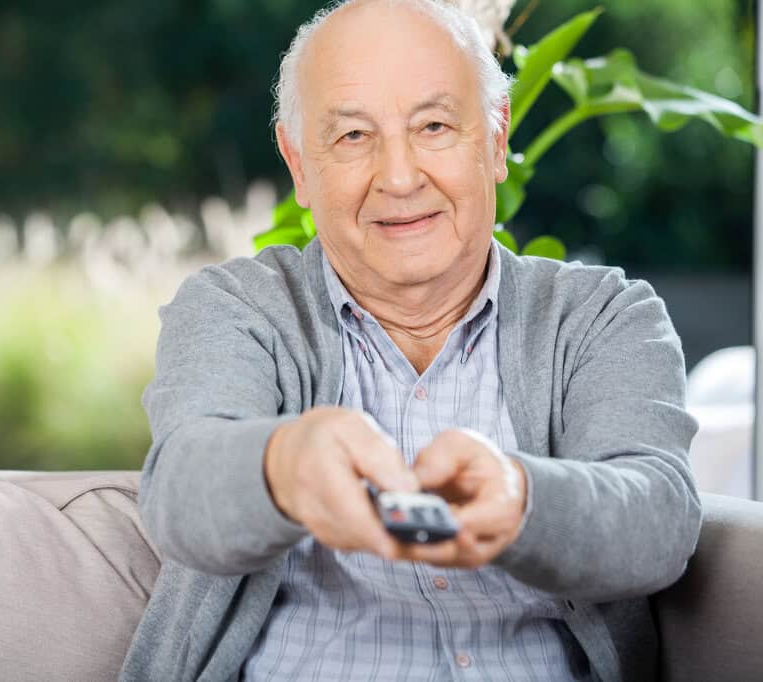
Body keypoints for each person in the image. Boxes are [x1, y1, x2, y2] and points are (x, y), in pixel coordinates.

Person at [120, 0, 701, 679]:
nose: (399, 178)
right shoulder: (236, 308)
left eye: (433, 126)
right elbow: (179, 494)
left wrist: (521, 499)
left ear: (494, 139)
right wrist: (286, 465)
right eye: (353, 137)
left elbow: (657, 522)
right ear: (299, 164)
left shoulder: (604, 317)